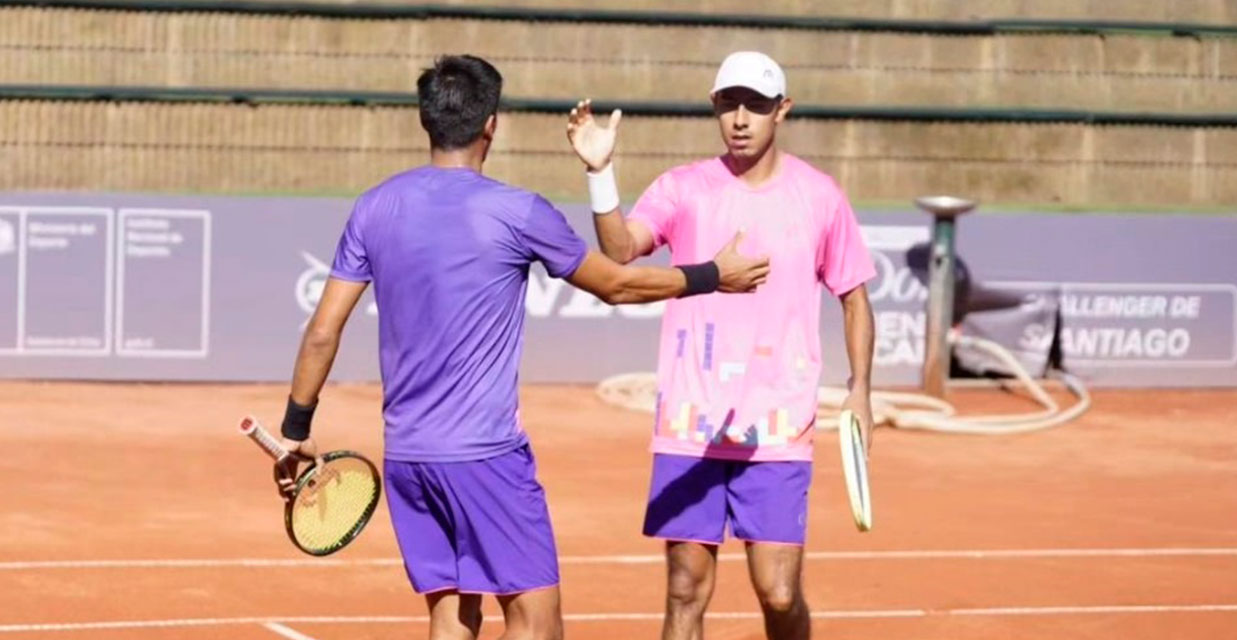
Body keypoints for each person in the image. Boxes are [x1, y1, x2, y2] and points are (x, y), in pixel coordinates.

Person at [272, 54, 769, 640]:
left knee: (452, 615)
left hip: (408, 457)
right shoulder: (517, 211)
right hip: (486, 457)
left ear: (426, 121)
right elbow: (617, 283)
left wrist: (295, 431)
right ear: (491, 125)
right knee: (537, 624)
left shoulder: (374, 206)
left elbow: (323, 330)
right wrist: (714, 275)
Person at [566, 50, 877, 640]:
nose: (741, 118)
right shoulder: (683, 189)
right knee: (685, 590)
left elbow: (855, 297)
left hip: (779, 427)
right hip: (691, 423)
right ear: (715, 107)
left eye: (756, 106)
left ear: (781, 111)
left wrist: (861, 391)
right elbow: (621, 251)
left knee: (779, 593)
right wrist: (600, 173)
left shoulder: (819, 195)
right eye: (729, 104)